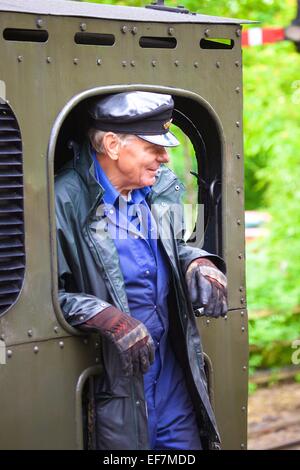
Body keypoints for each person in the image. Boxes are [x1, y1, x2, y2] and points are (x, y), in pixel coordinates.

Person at [55, 91, 228, 450]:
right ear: (114, 145)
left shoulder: (156, 189)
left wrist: (196, 262)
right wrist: (105, 316)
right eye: (154, 147)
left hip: (170, 375)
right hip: (116, 382)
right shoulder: (65, 199)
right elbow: (48, 293)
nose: (165, 157)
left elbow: (173, 247)